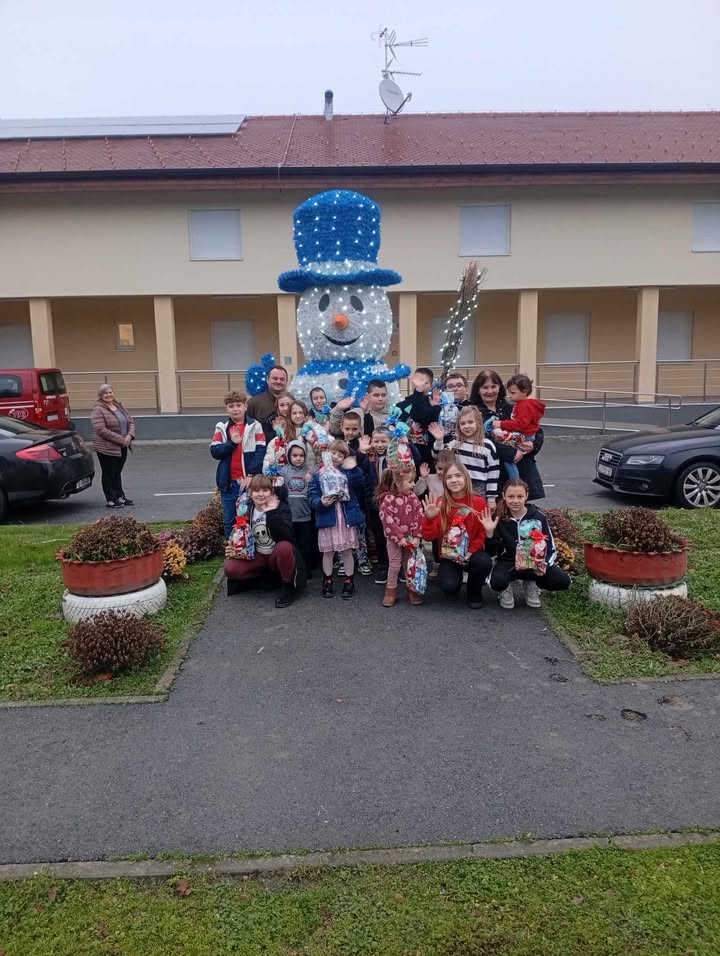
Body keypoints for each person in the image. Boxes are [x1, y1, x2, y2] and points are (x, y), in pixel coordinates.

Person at [481, 478, 571, 608]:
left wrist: (544, 564)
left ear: (526, 496)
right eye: (511, 496)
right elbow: (491, 552)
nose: (515, 501)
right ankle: (506, 587)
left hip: (535, 563)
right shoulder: (499, 518)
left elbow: (550, 546)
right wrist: (489, 533)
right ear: (503, 496)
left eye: (520, 496)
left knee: (563, 581)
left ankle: (532, 583)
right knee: (496, 582)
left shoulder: (538, 517)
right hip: (510, 562)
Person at [420, 461, 493, 609]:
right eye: (449, 477)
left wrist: (471, 551)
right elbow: (429, 537)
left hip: (473, 553)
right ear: (444, 481)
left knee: (483, 562)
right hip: (449, 554)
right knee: (449, 587)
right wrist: (429, 519)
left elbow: (481, 533)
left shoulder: (478, 502)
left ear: (466, 478)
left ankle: (474, 591)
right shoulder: (440, 503)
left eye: (458, 476)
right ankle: (455, 579)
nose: (454, 480)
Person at [224, 475, 303, 608]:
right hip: (258, 554)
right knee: (231, 568)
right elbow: (240, 534)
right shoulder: (246, 508)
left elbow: (287, 535)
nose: (261, 494)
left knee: (285, 547)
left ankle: (287, 585)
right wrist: (234, 548)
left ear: (271, 492)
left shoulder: (281, 507)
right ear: (251, 493)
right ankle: (258, 579)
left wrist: (271, 513)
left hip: (276, 554)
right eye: (256, 490)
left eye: (265, 490)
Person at [470, 368, 545, 501]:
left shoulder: (512, 407)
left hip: (521, 467)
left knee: (519, 505)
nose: (489, 391)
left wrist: (533, 444)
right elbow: (478, 439)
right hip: (492, 473)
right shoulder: (473, 412)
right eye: (485, 387)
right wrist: (510, 453)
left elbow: (535, 429)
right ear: (478, 390)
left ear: (500, 388)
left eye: (493, 386)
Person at [308, 440, 366, 600]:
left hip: (345, 518)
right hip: (328, 518)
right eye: (333, 452)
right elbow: (312, 496)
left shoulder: (348, 473)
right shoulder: (319, 474)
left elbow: (360, 482)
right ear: (327, 452)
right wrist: (321, 502)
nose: (336, 457)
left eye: (341, 455)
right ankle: (327, 580)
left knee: (347, 551)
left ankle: (349, 580)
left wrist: (353, 468)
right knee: (328, 553)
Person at [210, 390, 266, 539]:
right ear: (226, 409)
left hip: (249, 482)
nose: (235, 409)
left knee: (251, 518)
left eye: (238, 405)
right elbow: (215, 451)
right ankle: (232, 548)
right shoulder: (222, 427)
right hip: (229, 483)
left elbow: (261, 451)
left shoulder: (255, 426)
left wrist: (251, 475)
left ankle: (251, 547)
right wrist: (232, 443)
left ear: (245, 406)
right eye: (231, 406)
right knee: (230, 520)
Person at [429, 406, 500, 504]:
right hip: (459, 484)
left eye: (470, 422)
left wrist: (491, 499)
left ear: (478, 423)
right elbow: (438, 455)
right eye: (463, 423)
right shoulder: (456, 443)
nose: (466, 426)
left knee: (477, 511)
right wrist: (439, 440)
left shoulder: (487, 446)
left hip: (479, 487)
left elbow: (493, 473)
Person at [377, 464, 424, 607]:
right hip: (394, 540)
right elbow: (387, 520)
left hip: (410, 539)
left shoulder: (413, 498)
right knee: (394, 565)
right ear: (398, 483)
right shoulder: (388, 499)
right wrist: (399, 538)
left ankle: (412, 589)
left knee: (409, 565)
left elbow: (419, 516)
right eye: (410, 481)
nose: (413, 484)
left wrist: (416, 536)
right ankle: (391, 591)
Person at [489, 374, 546, 480]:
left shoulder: (524, 406)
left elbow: (520, 424)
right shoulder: (522, 404)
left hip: (524, 436)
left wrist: (501, 424)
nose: (510, 396)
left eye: (513, 393)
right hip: (526, 435)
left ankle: (515, 480)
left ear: (524, 392)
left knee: (509, 458)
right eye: (509, 392)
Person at [91, 383, 136, 508]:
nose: (108, 395)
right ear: (100, 395)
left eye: (110, 392)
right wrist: (121, 440)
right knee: (109, 473)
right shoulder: (98, 410)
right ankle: (111, 499)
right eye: (105, 393)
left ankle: (120, 496)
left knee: (117, 472)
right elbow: (101, 429)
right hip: (106, 447)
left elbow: (131, 421)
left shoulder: (119, 406)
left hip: (123, 445)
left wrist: (129, 436)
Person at [414, 449, 456, 578]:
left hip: (451, 514)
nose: (441, 472)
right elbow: (417, 491)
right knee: (435, 541)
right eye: (439, 468)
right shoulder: (431, 478)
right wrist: (423, 478)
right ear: (435, 466)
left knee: (452, 541)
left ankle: (457, 565)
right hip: (435, 514)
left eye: (446, 469)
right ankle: (437, 565)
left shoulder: (454, 479)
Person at [280, 439, 317, 571]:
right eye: (294, 455)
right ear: (288, 456)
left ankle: (305, 569)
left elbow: (314, 490)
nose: (298, 458)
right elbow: (280, 490)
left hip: (305, 515)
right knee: (292, 543)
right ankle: (293, 567)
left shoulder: (309, 471)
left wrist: (310, 481)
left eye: (301, 455)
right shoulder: (284, 471)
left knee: (305, 543)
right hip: (290, 516)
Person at [366, 427, 392, 584]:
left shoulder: (396, 455)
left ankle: (398, 565)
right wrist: (362, 452)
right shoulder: (368, 456)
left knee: (394, 534)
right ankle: (383, 565)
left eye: (384, 441)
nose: (380, 445)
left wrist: (406, 444)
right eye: (376, 441)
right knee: (379, 535)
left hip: (393, 502)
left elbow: (414, 457)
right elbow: (359, 467)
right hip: (375, 502)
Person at [396, 367, 435, 465]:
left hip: (427, 456)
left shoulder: (434, 405)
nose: (419, 384)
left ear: (431, 385)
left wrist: (419, 392)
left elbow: (420, 417)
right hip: (404, 456)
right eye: (416, 380)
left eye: (423, 382)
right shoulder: (400, 406)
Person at [247, 364, 289, 431]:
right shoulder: (254, 403)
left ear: (286, 381)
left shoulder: (292, 402)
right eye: (275, 378)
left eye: (282, 379)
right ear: (267, 380)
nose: (278, 382)